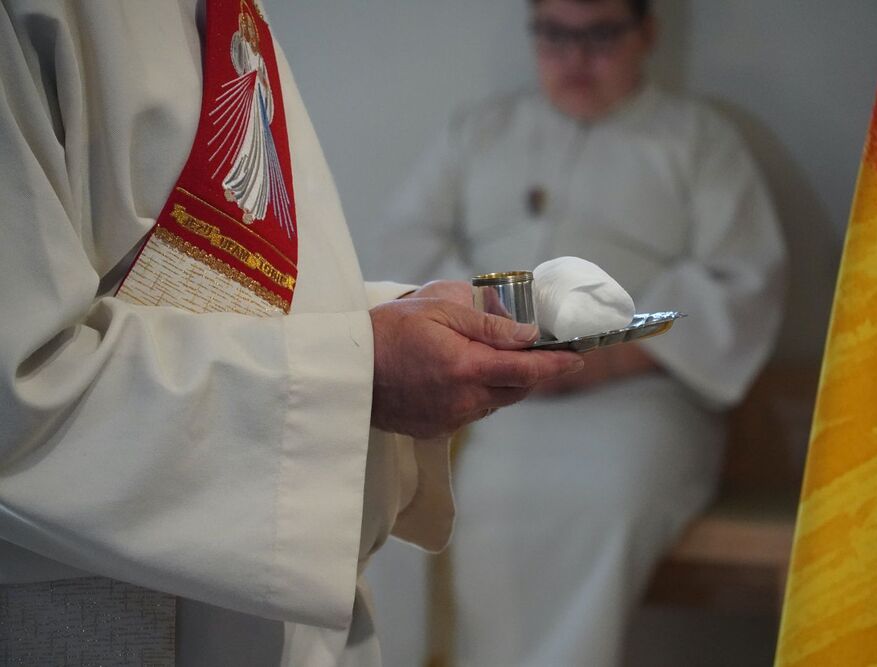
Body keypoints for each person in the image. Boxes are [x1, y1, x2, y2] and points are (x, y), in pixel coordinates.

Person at [0, 1, 583, 665]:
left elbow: (260, 287)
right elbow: (19, 395)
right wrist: (363, 371)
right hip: (120, 607)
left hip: (283, 589)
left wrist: (390, 322)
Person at [371, 0, 787, 664]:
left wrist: (606, 358)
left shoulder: (698, 140)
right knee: (392, 475)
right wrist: (486, 330)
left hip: (634, 395)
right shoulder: (480, 131)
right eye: (554, 36)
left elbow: (739, 282)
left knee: (593, 492)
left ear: (646, 32)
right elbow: (406, 246)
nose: (575, 59)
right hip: (477, 382)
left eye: (599, 36)